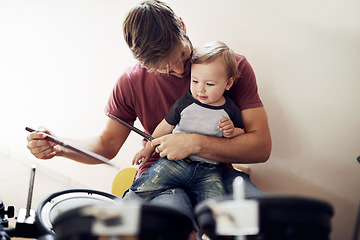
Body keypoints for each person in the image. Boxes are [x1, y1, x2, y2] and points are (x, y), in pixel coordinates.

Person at [26, 0, 271, 238]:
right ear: (142, 63)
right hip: (161, 176)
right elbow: (106, 145)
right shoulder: (130, 82)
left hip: (217, 172)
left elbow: (261, 148)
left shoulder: (230, 68)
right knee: (172, 229)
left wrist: (195, 143)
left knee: (261, 224)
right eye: (165, 68)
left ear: (183, 27)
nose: (178, 70)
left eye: (183, 57)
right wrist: (60, 146)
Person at [128, 41, 245, 205]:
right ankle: (122, 209)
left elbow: (242, 133)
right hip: (175, 163)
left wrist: (232, 132)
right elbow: (164, 127)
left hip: (209, 171)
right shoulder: (185, 103)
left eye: (209, 84)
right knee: (145, 185)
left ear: (228, 83)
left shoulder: (230, 109)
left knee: (217, 208)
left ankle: (211, 230)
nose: (200, 89)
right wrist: (148, 148)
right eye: (195, 81)